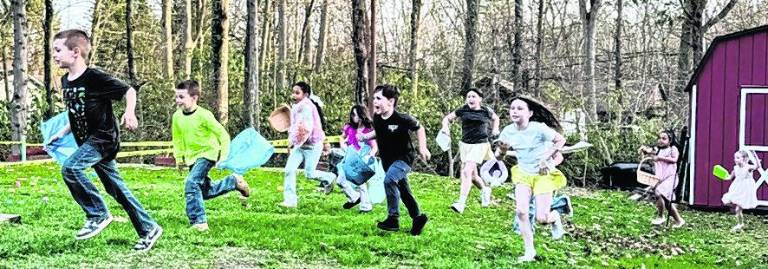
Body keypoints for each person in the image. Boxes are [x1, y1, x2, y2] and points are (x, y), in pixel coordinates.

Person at [49, 29, 161, 251]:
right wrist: (61, 133)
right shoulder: (66, 81)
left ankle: (98, 214)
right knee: (115, 188)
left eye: (58, 50)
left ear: (75, 52)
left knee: (70, 169)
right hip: (87, 141)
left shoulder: (94, 77)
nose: (54, 55)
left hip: (103, 138)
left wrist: (130, 112)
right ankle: (149, 228)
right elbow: (77, 112)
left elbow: (129, 91)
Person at [171, 80, 251, 232]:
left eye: (181, 97)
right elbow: (177, 139)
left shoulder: (204, 115)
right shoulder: (177, 117)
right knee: (204, 191)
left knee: (191, 183)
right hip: (191, 158)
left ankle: (199, 221)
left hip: (207, 154)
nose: (177, 101)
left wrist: (224, 156)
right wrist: (179, 158)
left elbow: (223, 135)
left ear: (194, 98)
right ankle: (233, 182)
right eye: (176, 97)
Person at [496, 97, 568, 262]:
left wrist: (545, 157)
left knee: (541, 219)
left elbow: (560, 140)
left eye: (520, 109)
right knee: (521, 211)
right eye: (512, 108)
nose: (515, 111)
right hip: (523, 173)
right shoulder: (507, 131)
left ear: (530, 113)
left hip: (543, 175)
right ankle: (529, 251)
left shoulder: (539, 129)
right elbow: (498, 157)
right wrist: (502, 150)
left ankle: (555, 216)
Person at [359, 85, 430, 235]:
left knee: (389, 180)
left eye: (378, 98)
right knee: (403, 190)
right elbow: (378, 132)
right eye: (374, 99)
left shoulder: (402, 118)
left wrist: (423, 148)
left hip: (404, 159)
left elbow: (420, 128)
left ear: (391, 101)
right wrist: (365, 136)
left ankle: (393, 219)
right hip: (387, 160)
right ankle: (418, 218)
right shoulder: (377, 118)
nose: (375, 102)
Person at [440, 88, 499, 213]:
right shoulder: (463, 109)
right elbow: (447, 118)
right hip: (465, 145)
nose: (470, 99)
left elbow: (496, 118)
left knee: (466, 171)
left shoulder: (485, 111)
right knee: (473, 176)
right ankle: (485, 190)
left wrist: (495, 129)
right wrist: (445, 127)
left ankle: (461, 203)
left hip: (480, 145)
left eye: (473, 96)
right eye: (468, 97)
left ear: (479, 99)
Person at [280, 82, 335, 208]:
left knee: (309, 174)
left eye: (297, 93)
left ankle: (330, 177)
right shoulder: (296, 106)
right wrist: (292, 141)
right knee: (289, 170)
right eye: (293, 92)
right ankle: (290, 200)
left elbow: (306, 128)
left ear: (305, 94)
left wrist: (293, 141)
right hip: (300, 146)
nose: (294, 95)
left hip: (313, 145)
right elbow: (294, 126)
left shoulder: (306, 107)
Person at [639, 130, 685, 228]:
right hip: (661, 178)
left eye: (664, 139)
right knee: (667, 202)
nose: (660, 140)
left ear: (670, 140)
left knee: (658, 192)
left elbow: (674, 160)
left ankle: (660, 216)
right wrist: (645, 151)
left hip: (670, 178)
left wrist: (659, 158)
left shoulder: (673, 149)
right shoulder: (657, 150)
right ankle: (679, 220)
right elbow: (650, 152)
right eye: (659, 138)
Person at [336, 105, 378, 212]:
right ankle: (354, 197)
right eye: (352, 114)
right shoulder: (349, 128)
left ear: (361, 115)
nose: (353, 116)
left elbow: (374, 147)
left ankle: (365, 207)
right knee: (340, 180)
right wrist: (343, 145)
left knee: (360, 183)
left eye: (355, 114)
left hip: (361, 159)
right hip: (349, 157)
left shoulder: (368, 131)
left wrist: (369, 156)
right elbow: (342, 137)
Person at [721, 150, 760, 232]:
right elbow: (729, 177)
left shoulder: (748, 167)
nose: (735, 159)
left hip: (746, 189)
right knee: (727, 201)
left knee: (738, 209)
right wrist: (723, 176)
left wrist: (755, 156)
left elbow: (757, 166)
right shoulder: (735, 168)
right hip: (737, 187)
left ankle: (740, 224)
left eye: (738, 158)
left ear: (745, 159)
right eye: (735, 158)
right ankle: (740, 222)